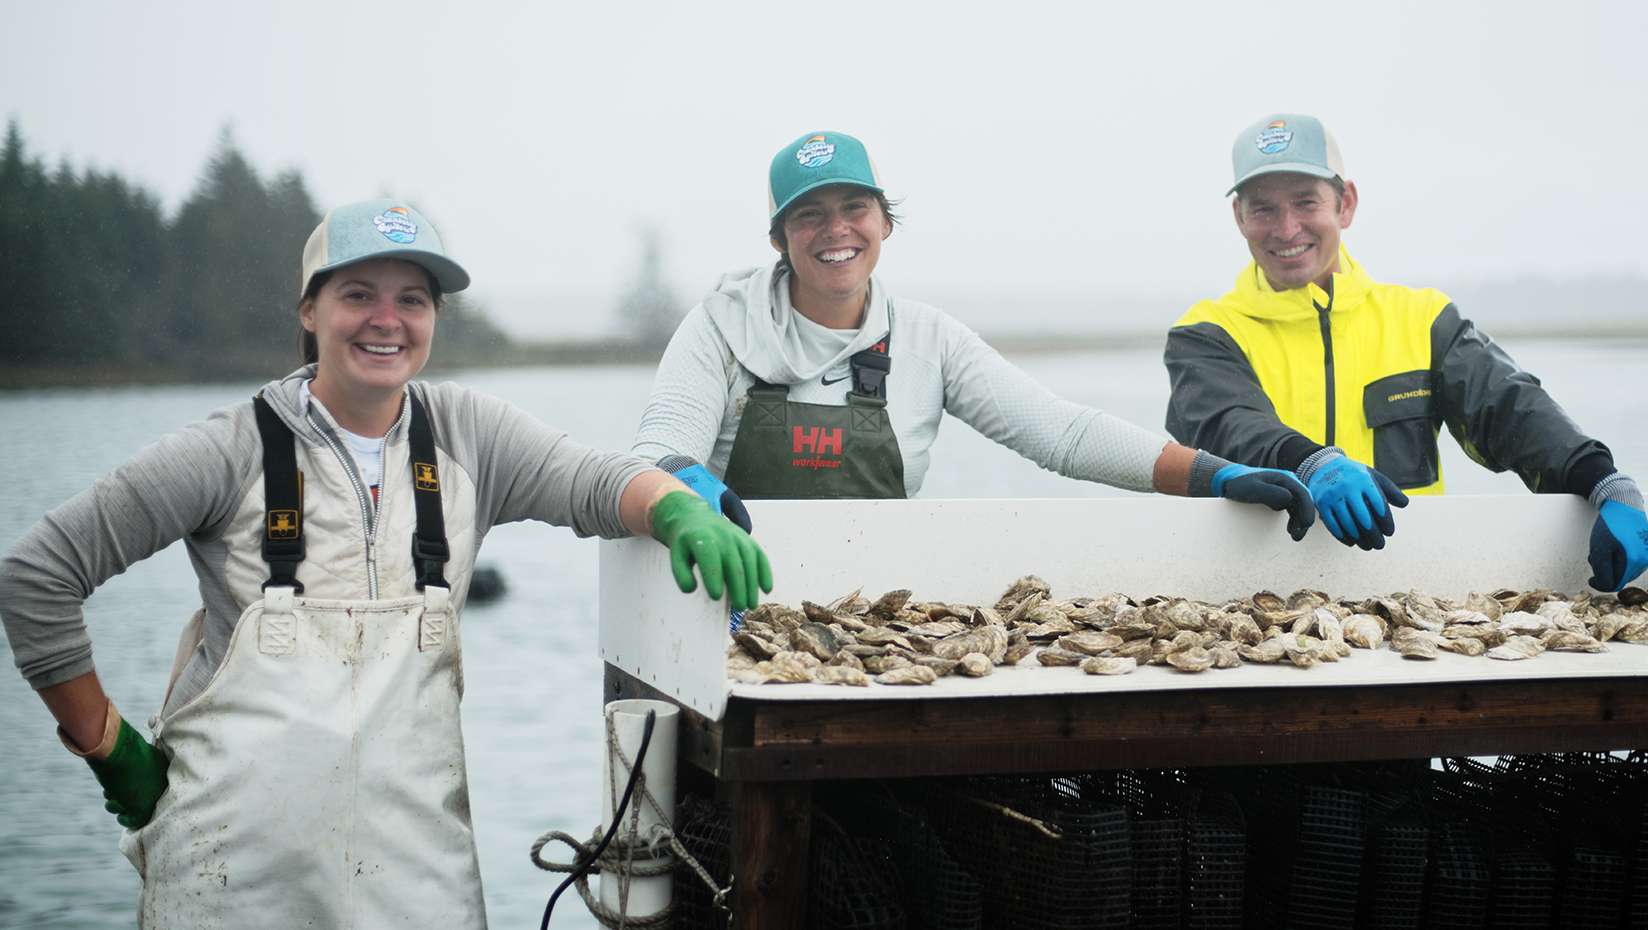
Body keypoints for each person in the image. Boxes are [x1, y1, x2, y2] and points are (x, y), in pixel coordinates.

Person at [0, 199, 771, 927]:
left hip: (418, 877)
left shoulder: (470, 434)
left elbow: (594, 480)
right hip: (226, 873)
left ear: (434, 318)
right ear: (309, 311)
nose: (387, 320)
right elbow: (37, 576)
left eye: (413, 299)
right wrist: (110, 751)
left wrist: (674, 509)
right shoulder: (225, 451)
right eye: (359, 294)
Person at [632, 130, 1316, 536]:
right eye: (809, 216)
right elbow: (660, 448)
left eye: (854, 208)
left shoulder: (927, 339)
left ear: (885, 223)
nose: (835, 230)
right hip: (728, 599)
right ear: (780, 237)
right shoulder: (720, 326)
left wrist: (1217, 475)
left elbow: (1062, 434)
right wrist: (681, 482)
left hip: (868, 615)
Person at [1163, 113, 1647, 590]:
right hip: (1245, 588)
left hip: (1407, 588)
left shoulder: (1424, 319)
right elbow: (1229, 422)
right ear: (1239, 217)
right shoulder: (1203, 334)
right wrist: (1313, 462)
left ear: (1345, 204)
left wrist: (1602, 480)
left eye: (1306, 201)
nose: (1286, 228)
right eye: (1263, 208)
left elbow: (1511, 410)